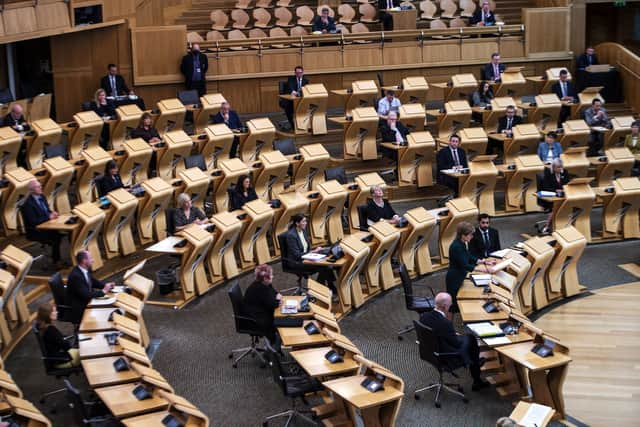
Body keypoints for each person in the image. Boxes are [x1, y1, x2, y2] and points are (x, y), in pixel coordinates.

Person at [419, 292, 490, 391]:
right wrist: (454, 335)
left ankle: (475, 363)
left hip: (429, 352)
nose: (451, 306)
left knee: (466, 338)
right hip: (445, 355)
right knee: (471, 339)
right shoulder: (446, 323)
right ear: (444, 306)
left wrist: (450, 334)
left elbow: (436, 331)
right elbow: (457, 343)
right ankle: (476, 377)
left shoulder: (424, 316)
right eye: (450, 304)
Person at [446, 222, 494, 314]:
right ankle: (448, 327)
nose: (472, 237)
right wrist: (484, 269)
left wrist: (483, 261)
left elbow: (469, 256)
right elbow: (465, 265)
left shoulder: (462, 243)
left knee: (456, 305)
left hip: (460, 274)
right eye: (470, 235)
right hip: (454, 278)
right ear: (463, 235)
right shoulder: (457, 247)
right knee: (452, 306)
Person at [283, 214, 336, 288]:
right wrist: (312, 252)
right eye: (303, 221)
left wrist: (316, 251)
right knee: (324, 267)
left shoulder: (303, 231)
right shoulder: (291, 236)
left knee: (326, 263)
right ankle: (323, 287)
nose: (306, 223)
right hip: (297, 262)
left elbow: (306, 248)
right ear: (297, 223)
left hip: (307, 257)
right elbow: (297, 255)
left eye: (305, 221)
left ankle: (325, 286)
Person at [20, 179, 62, 266]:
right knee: (56, 237)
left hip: (47, 225)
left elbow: (47, 210)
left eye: (40, 186)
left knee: (62, 232)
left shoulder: (42, 197)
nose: (41, 188)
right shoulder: (27, 204)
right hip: (35, 231)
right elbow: (33, 221)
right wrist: (48, 217)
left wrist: (52, 213)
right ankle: (56, 261)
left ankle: (58, 258)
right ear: (31, 190)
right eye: (38, 187)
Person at [67, 251, 114, 325]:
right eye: (91, 258)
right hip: (81, 308)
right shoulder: (76, 276)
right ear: (84, 261)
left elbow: (93, 281)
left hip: (87, 301)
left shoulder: (83, 269)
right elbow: (86, 295)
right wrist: (103, 291)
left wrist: (105, 286)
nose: (93, 260)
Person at [242, 264, 282, 344]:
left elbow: (274, 293)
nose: (273, 276)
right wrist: (277, 299)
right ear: (265, 278)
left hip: (259, 311)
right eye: (271, 275)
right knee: (281, 321)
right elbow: (273, 305)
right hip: (256, 319)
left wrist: (277, 298)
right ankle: (273, 345)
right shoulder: (261, 289)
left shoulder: (265, 284)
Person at [36, 303, 80, 368]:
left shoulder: (42, 326)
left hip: (55, 358)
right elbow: (66, 347)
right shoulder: (51, 330)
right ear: (48, 315)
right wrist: (67, 341)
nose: (57, 312)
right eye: (54, 311)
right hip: (62, 360)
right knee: (85, 355)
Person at [539, 158, 570, 230]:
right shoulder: (548, 174)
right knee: (557, 207)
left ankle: (564, 224)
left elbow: (568, 184)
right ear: (553, 167)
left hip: (563, 195)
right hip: (551, 196)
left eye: (561, 167)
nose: (560, 169)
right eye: (558, 167)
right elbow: (546, 187)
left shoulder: (565, 172)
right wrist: (556, 191)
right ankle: (547, 226)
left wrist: (564, 190)